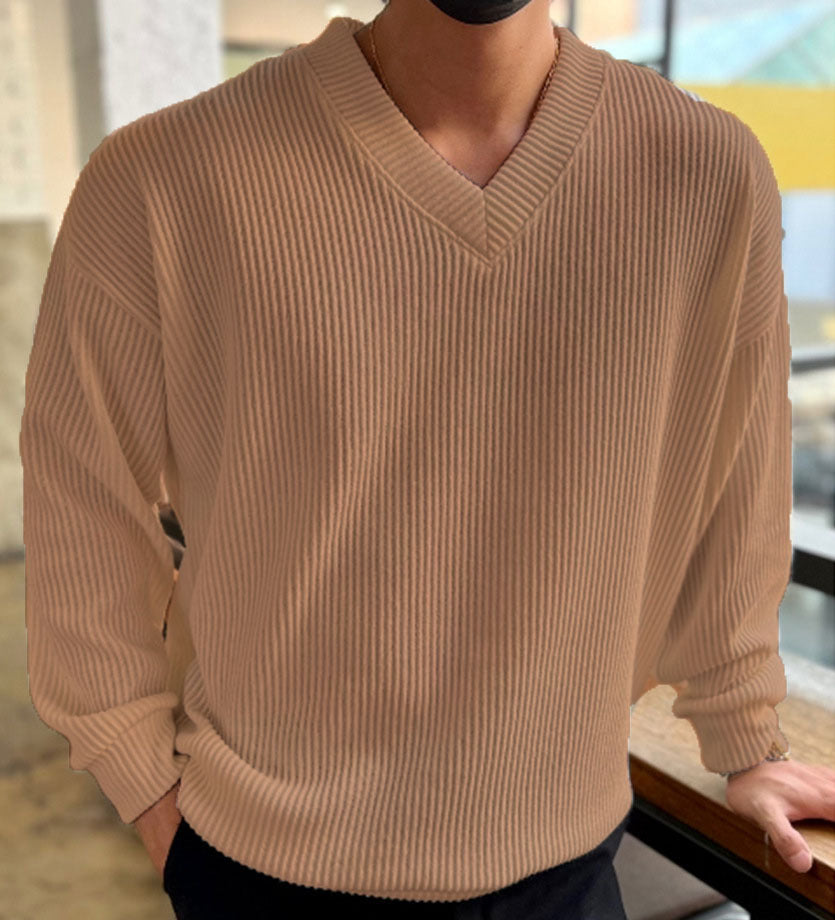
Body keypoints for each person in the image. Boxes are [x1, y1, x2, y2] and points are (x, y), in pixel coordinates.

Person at [19, 0, 834, 917]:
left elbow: (736, 484)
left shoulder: (707, 175)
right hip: (259, 868)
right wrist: (144, 787)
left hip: (564, 868)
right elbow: (81, 505)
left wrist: (745, 738)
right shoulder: (161, 180)